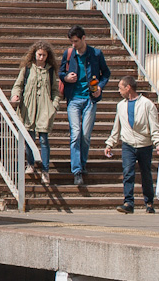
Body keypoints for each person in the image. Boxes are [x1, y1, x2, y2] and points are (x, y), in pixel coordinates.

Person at [104, 75, 159, 214]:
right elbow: (116, 127)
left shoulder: (147, 104)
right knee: (128, 172)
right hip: (128, 144)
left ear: (128, 87)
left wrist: (158, 143)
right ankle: (128, 202)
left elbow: (154, 125)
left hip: (145, 144)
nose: (119, 91)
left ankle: (149, 202)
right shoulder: (121, 105)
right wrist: (110, 143)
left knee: (146, 174)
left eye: (120, 88)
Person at [60, 25, 110, 186]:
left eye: (76, 41)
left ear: (83, 38)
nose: (74, 45)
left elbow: (106, 73)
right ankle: (77, 171)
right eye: (71, 42)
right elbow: (60, 72)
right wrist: (66, 77)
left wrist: (100, 87)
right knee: (75, 134)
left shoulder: (96, 54)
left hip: (90, 99)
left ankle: (82, 163)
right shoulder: (68, 54)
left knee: (85, 135)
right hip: (73, 98)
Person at [10, 41, 60, 184]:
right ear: (34, 54)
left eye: (44, 55)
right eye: (39, 54)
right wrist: (15, 96)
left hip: (45, 109)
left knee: (44, 139)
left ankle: (45, 170)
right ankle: (30, 164)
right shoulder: (27, 68)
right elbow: (18, 85)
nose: (41, 57)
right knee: (29, 138)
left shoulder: (50, 71)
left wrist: (54, 105)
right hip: (28, 107)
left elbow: (56, 90)